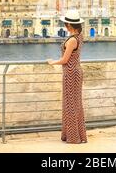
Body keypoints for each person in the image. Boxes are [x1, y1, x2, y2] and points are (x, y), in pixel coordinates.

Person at [47, 9, 87, 144]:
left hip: (70, 73)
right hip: (76, 71)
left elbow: (65, 60)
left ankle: (73, 137)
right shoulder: (79, 37)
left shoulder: (71, 40)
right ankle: (78, 135)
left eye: (65, 24)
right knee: (76, 104)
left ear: (69, 25)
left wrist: (53, 62)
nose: (64, 26)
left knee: (70, 105)